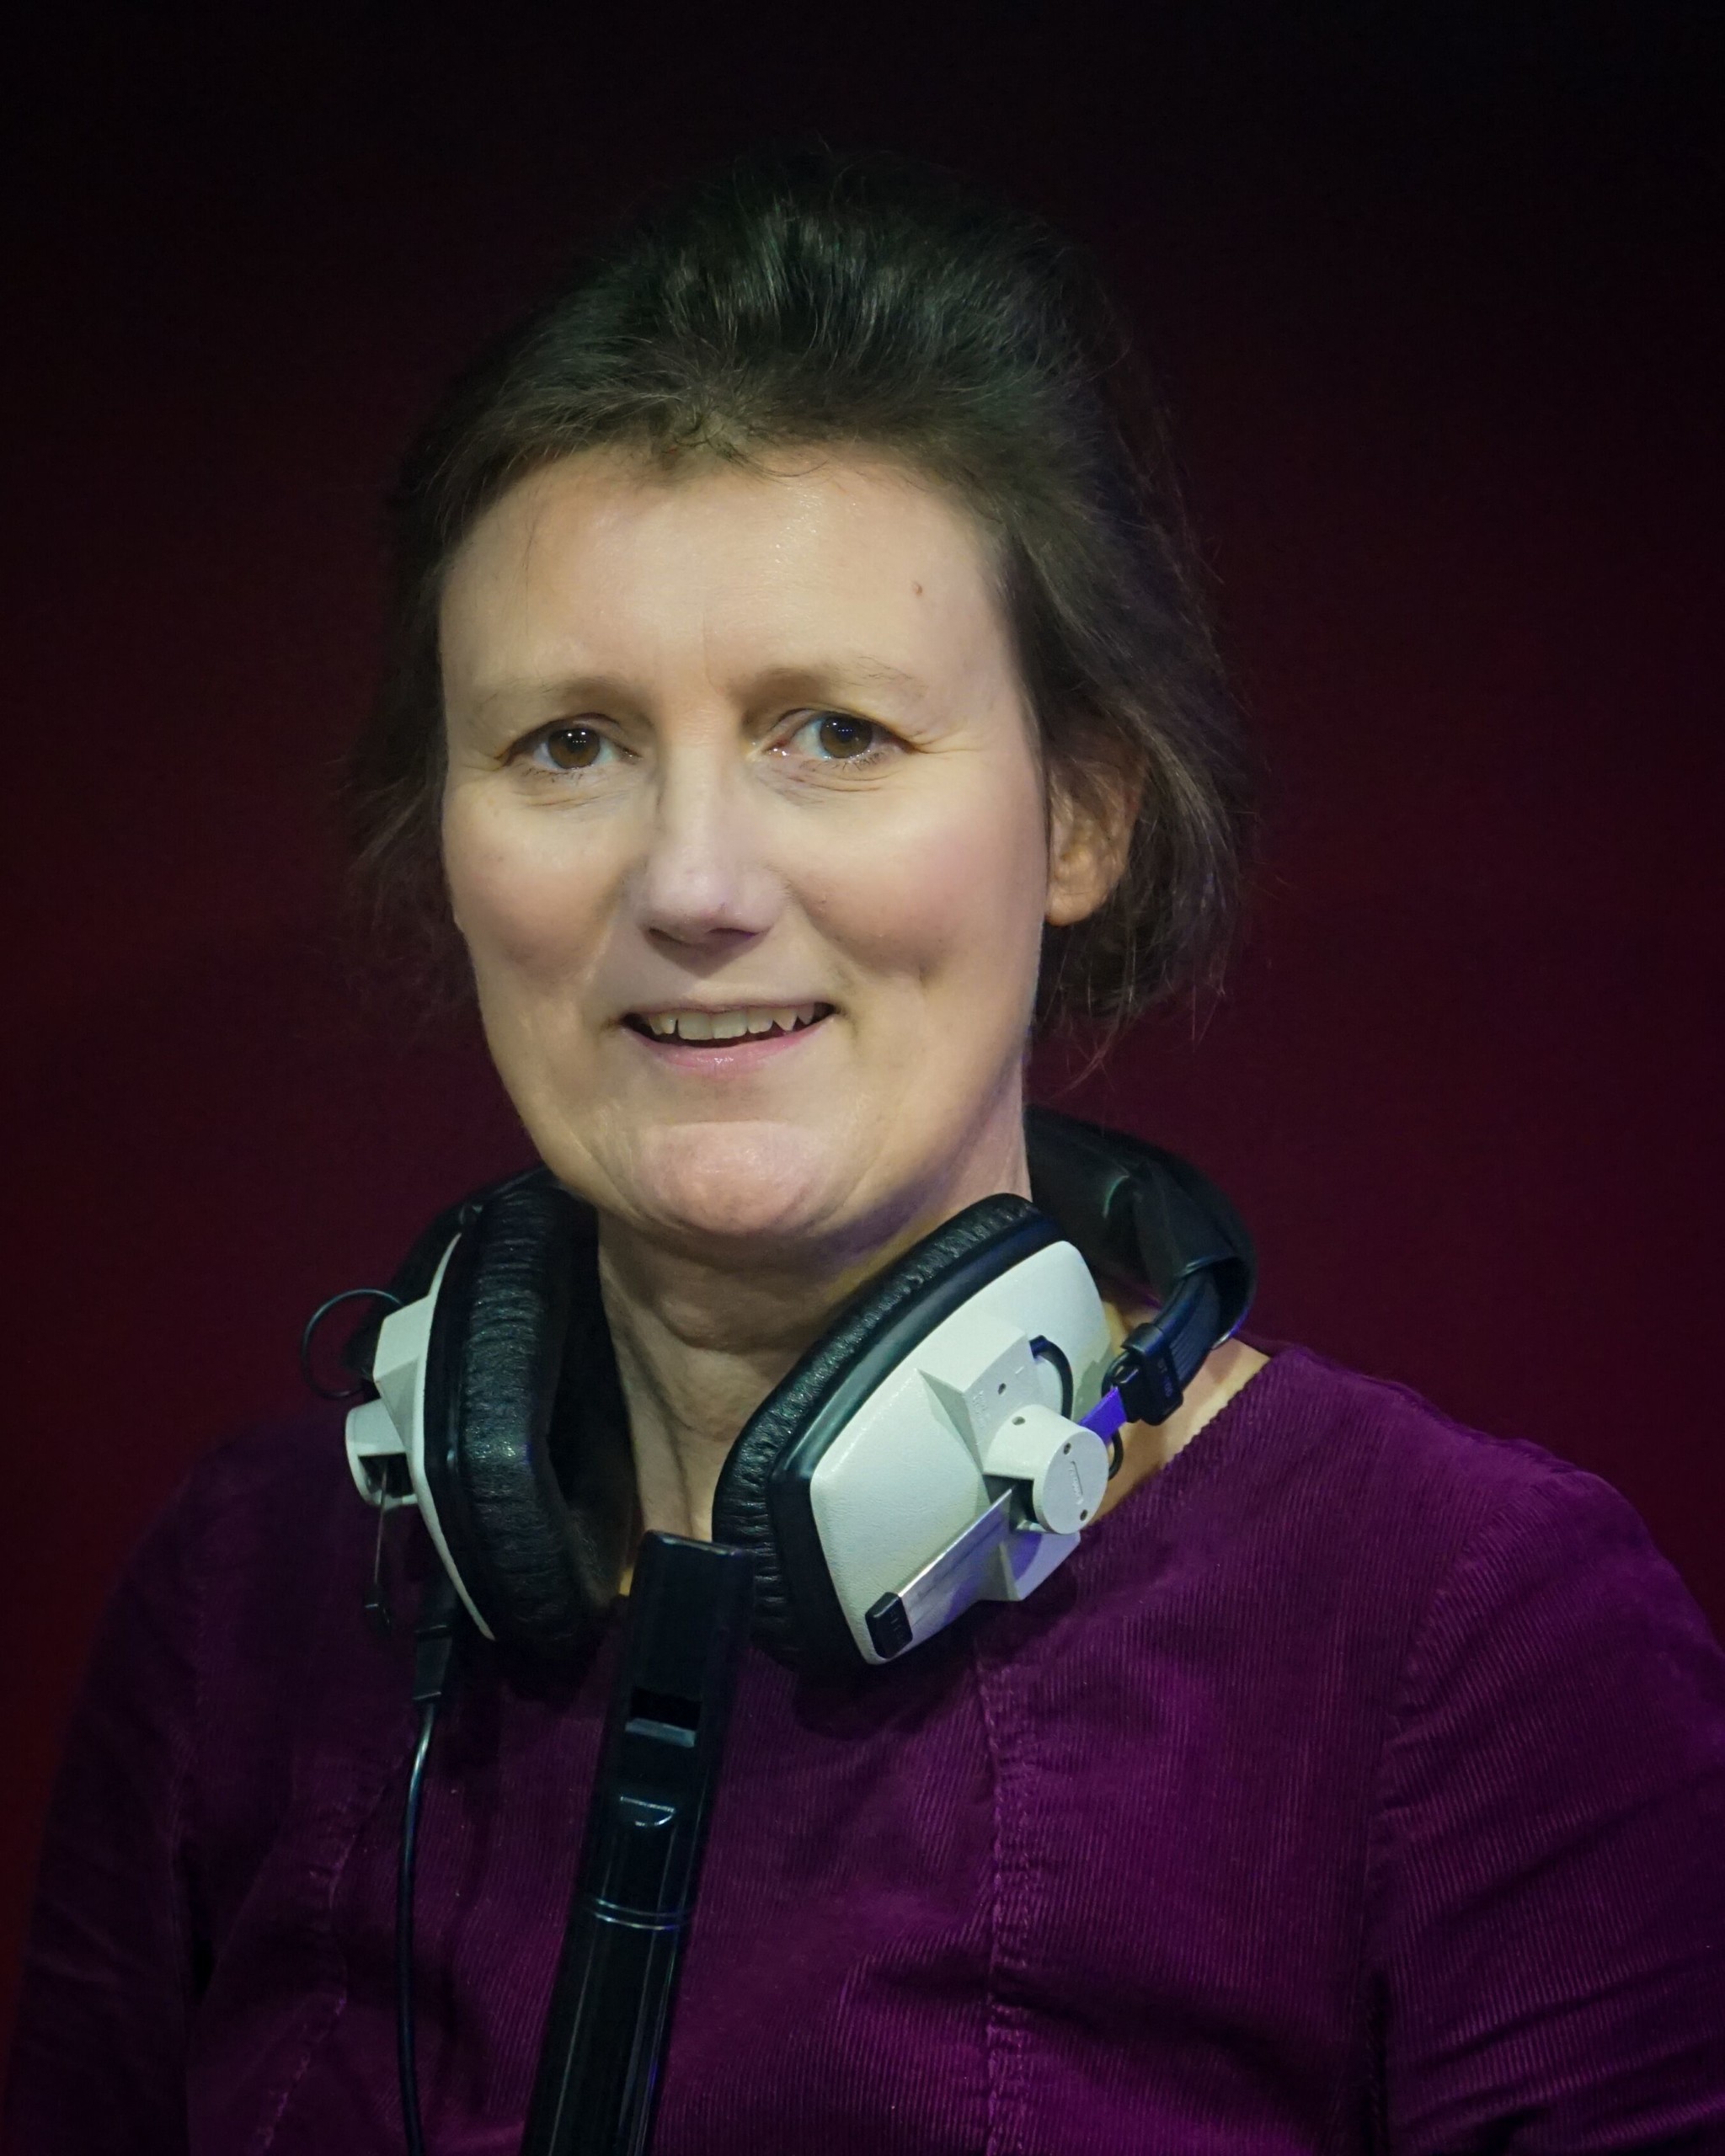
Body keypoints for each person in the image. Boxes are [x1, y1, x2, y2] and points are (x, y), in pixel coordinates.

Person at [7, 151, 1725, 2156]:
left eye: (833, 730)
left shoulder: (1471, 1630)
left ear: (1080, 813)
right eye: (569, 741)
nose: (694, 881)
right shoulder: (251, 1588)